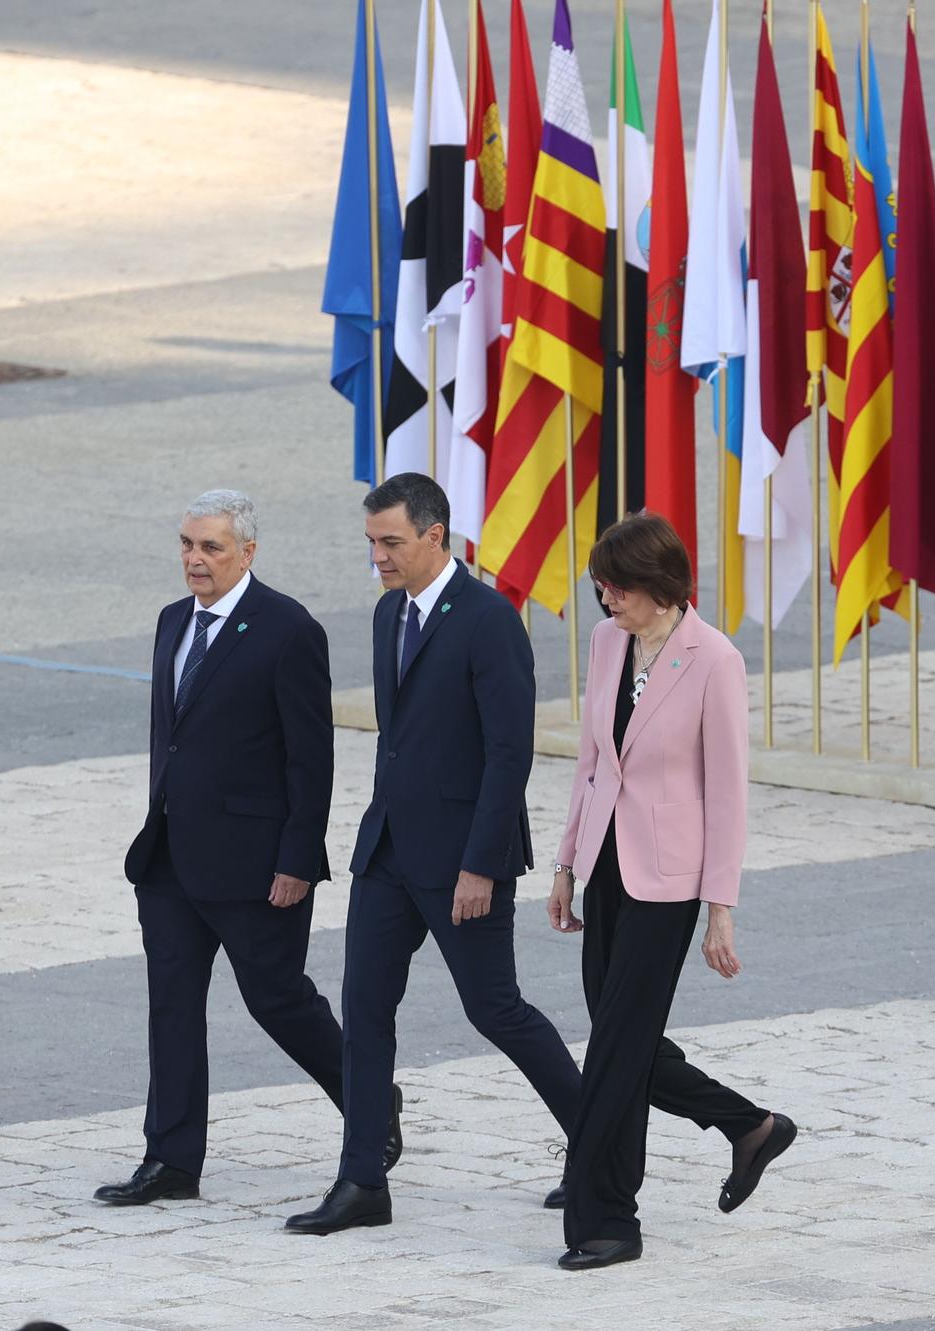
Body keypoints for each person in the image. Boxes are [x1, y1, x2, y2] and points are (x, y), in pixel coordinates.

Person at [286, 472, 582, 1235]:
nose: (378, 557)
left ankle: (601, 1142)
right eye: (371, 543)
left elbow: (509, 750)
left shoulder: (488, 620)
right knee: (364, 1007)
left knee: (495, 1009)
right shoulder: (389, 615)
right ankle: (362, 1181)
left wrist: (481, 863)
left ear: (434, 536)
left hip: (461, 862)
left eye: (390, 542)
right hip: (387, 852)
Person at [99, 490, 380, 1206]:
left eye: (212, 547)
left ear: (247, 552)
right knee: (171, 1005)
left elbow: (309, 760)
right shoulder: (171, 622)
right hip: (169, 858)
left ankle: (373, 1102)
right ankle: (171, 1159)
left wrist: (295, 860)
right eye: (188, 545)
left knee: (278, 1000)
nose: (196, 559)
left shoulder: (288, 630)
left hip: (256, 865)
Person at [547, 513, 794, 1272]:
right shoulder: (607, 643)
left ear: (658, 586)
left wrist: (721, 908)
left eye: (615, 589)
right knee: (625, 1039)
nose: (605, 601)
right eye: (600, 590)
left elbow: (727, 792)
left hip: (669, 883)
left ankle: (607, 1214)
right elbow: (593, 761)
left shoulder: (713, 659)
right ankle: (748, 1123)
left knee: (616, 1049)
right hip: (607, 866)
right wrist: (565, 863)